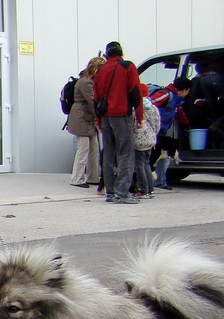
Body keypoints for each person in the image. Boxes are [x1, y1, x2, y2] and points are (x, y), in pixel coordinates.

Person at [93, 41, 143, 204]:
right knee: (125, 154)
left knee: (108, 154)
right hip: (122, 114)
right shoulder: (128, 67)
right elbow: (135, 92)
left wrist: (99, 121)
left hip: (105, 116)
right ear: (121, 52)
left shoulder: (100, 70)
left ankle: (110, 192)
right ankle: (122, 193)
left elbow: (96, 98)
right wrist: (140, 117)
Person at [67, 56, 105, 188]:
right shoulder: (86, 82)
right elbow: (93, 102)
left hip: (87, 118)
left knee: (94, 149)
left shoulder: (88, 81)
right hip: (82, 118)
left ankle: (93, 177)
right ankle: (76, 178)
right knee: (83, 149)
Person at [148, 76, 191, 190]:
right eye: (188, 91)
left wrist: (187, 125)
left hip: (161, 131)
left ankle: (160, 181)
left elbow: (178, 113)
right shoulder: (166, 94)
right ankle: (148, 181)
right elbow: (148, 103)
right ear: (184, 90)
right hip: (152, 131)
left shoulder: (176, 99)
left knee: (163, 154)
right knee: (151, 156)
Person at [191, 62, 224, 149]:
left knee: (214, 111)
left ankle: (215, 138)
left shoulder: (213, 63)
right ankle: (220, 125)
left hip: (203, 79)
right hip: (216, 77)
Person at [132, 83, 160, 199]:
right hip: (150, 139)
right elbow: (157, 124)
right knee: (146, 164)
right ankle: (150, 189)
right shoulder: (153, 107)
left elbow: (132, 124)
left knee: (139, 165)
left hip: (139, 140)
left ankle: (144, 190)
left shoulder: (136, 107)